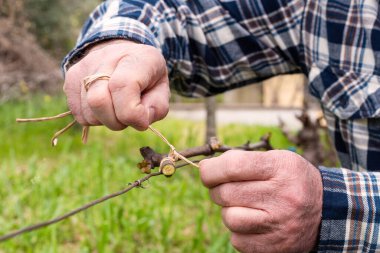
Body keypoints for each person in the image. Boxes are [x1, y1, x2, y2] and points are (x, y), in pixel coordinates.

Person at [62, 1, 380, 252]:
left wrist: (340, 207)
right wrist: (121, 42)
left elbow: (342, 208)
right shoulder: (336, 7)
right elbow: (184, 12)